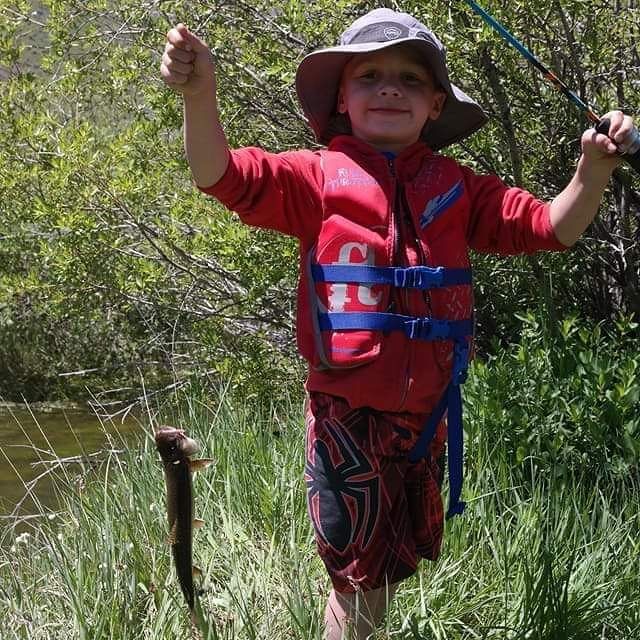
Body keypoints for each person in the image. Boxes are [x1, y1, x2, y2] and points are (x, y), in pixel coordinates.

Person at [160, 7, 637, 639]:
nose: (390, 88)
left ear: (436, 104)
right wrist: (200, 95)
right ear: (341, 99)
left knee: (384, 573)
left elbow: (552, 226)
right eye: (371, 76)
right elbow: (218, 174)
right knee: (355, 581)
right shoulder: (313, 179)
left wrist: (592, 170)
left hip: (427, 419)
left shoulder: (459, 189)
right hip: (347, 418)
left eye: (411, 79)